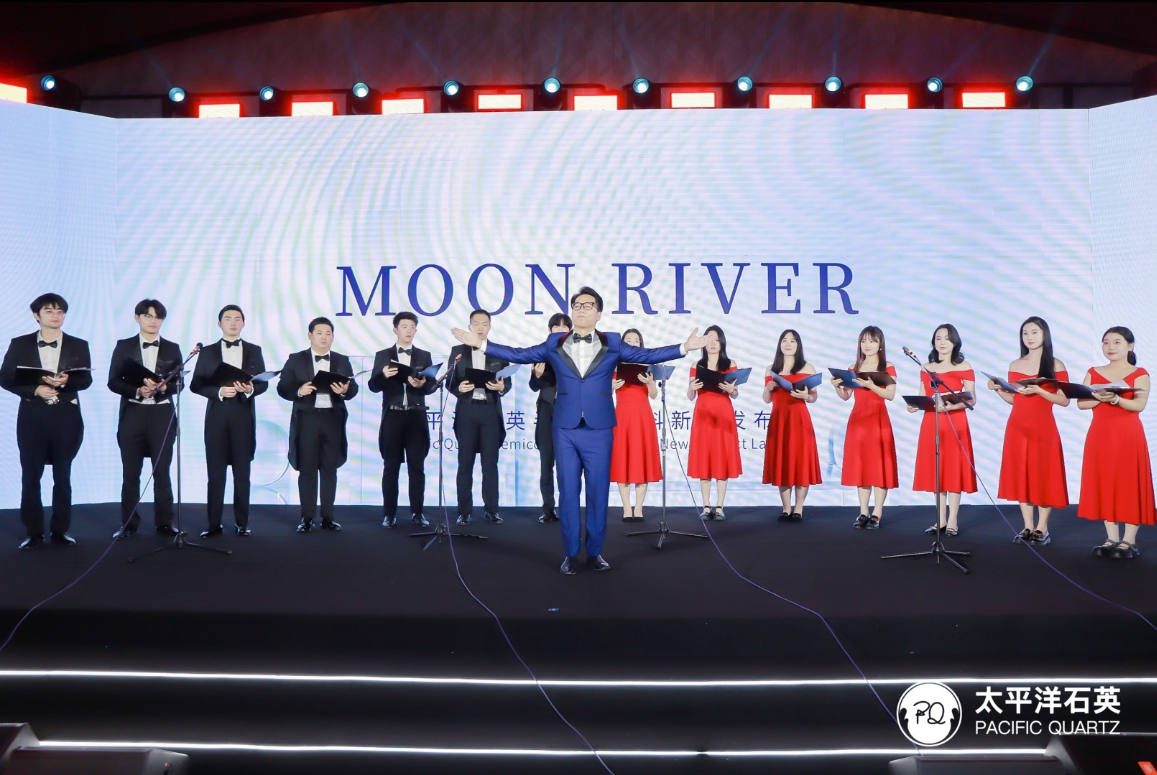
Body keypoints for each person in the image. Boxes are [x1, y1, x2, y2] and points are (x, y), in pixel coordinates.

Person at [453, 286, 714, 574]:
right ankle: (570, 554)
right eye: (577, 305)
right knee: (568, 492)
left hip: (599, 428)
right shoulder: (554, 342)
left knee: (597, 492)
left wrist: (684, 347)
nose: (581, 309)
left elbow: (648, 354)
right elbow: (520, 354)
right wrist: (482, 344)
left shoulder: (613, 342)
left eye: (588, 305)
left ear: (598, 313)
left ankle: (595, 552)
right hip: (564, 427)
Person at [0, 293, 92, 549]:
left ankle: (60, 530)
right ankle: (33, 532)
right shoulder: (20, 344)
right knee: (31, 475)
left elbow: (86, 380)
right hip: (33, 416)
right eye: (49, 311)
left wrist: (67, 381)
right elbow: (5, 377)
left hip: (66, 416)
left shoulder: (78, 344)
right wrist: (35, 390)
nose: (55, 315)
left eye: (60, 311)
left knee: (63, 475)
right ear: (36, 315)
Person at [986, 316, 1069, 546]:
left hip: (1044, 426)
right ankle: (1027, 526)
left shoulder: (1056, 364)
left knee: (1044, 474)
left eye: (1034, 332)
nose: (1029, 337)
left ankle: (1042, 527)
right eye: (1025, 333)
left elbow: (1064, 400)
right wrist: (998, 390)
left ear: (1044, 335)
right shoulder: (1015, 365)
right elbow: (1015, 400)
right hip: (1017, 426)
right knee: (1022, 474)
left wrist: (1040, 391)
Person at [107, 299, 185, 538]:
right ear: (137, 318)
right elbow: (113, 381)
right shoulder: (124, 346)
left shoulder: (173, 348)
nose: (153, 321)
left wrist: (164, 388)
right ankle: (129, 524)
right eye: (148, 316)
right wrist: (137, 391)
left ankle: (165, 522)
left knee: (162, 471)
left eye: (158, 317)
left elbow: (180, 383)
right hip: (133, 412)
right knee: (131, 472)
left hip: (162, 413)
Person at [190, 304, 268, 538]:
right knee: (215, 474)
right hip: (217, 416)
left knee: (242, 473)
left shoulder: (254, 350)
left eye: (237, 319)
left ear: (243, 323)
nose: (233, 323)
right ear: (219, 323)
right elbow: (196, 385)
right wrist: (219, 391)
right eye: (228, 318)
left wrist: (250, 389)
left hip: (243, 415)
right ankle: (213, 524)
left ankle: (242, 523)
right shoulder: (207, 352)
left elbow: (263, 383)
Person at [1077, 326, 1153, 560]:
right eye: (1106, 342)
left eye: (1117, 342)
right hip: (1100, 435)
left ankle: (1129, 540)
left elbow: (1139, 405)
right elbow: (1081, 403)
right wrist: (1098, 398)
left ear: (1130, 346)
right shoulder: (1093, 372)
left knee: (1129, 482)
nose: (1110, 347)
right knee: (1105, 481)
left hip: (1128, 435)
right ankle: (1111, 538)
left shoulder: (1140, 373)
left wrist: (1116, 399)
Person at [276, 317, 358, 533]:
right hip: (307, 421)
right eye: (319, 333)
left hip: (332, 420)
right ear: (310, 335)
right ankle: (307, 517)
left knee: (330, 470)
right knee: (307, 470)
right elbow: (282, 387)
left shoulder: (342, 360)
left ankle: (328, 517)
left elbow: (353, 388)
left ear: (333, 337)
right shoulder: (296, 359)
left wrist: (345, 390)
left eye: (328, 333)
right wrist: (299, 391)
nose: (324, 337)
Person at [368, 311, 439, 529]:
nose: (409, 330)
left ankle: (417, 512)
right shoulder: (383, 355)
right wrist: (383, 375)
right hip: (393, 415)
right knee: (391, 467)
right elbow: (373, 386)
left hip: (416, 416)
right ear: (395, 329)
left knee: (417, 466)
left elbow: (432, 385)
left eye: (412, 327)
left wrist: (423, 385)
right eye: (404, 327)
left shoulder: (424, 355)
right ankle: (389, 514)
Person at [908, 323, 977, 536]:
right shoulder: (926, 367)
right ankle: (940, 519)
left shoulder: (964, 366)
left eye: (946, 338)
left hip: (955, 422)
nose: (942, 342)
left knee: (953, 470)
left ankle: (953, 520)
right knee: (937, 470)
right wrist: (914, 405)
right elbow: (923, 395)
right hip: (932, 422)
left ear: (955, 342)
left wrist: (951, 406)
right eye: (938, 338)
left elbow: (971, 399)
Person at [447, 309, 512, 525]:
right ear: (470, 326)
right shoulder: (457, 351)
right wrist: (458, 388)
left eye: (485, 324)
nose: (480, 328)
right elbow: (449, 381)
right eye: (476, 323)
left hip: (489, 410)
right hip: (467, 409)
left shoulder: (498, 352)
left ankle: (492, 510)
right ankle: (464, 511)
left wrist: (502, 387)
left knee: (490, 464)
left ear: (490, 327)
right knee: (465, 463)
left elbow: (507, 381)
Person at [832, 325, 898, 529]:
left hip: (878, 420)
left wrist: (871, 385)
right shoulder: (854, 368)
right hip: (858, 421)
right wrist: (837, 387)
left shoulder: (887, 367)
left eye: (872, 341)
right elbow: (846, 396)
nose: (867, 345)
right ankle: (863, 512)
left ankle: (877, 513)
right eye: (863, 341)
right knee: (861, 466)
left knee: (879, 466)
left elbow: (890, 395)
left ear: (880, 344)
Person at [762, 329, 821, 521]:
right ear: (779, 344)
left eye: (793, 341)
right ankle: (786, 508)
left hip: (799, 419)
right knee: (783, 461)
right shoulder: (771, 369)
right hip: (779, 420)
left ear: (798, 345)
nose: (788, 344)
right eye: (785, 340)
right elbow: (766, 399)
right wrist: (768, 388)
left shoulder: (807, 367)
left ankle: (799, 508)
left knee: (800, 461)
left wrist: (806, 396)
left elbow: (814, 396)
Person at [687, 325, 742, 520]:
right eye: (709, 339)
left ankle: (719, 506)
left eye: (716, 340)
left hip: (723, 413)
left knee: (721, 457)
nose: (712, 344)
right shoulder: (696, 365)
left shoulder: (730, 364)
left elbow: (735, 394)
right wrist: (691, 387)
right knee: (705, 458)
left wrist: (732, 390)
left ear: (722, 343)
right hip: (703, 413)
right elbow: (690, 396)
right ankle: (706, 506)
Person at [611, 328, 662, 521]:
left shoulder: (647, 365)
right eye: (628, 340)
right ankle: (626, 507)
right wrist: (610, 387)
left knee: (642, 460)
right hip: (622, 416)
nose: (632, 343)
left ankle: (639, 507)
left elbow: (654, 395)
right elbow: (603, 394)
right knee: (622, 461)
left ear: (641, 344)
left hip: (642, 415)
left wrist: (650, 383)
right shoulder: (613, 365)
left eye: (636, 340)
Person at [530, 313, 572, 524]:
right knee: (546, 462)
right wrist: (536, 376)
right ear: (550, 330)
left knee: (567, 466)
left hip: (568, 412)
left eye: (565, 327)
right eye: (557, 327)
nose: (560, 330)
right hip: (546, 410)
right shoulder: (541, 352)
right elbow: (533, 386)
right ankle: (548, 509)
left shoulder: (577, 354)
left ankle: (567, 509)